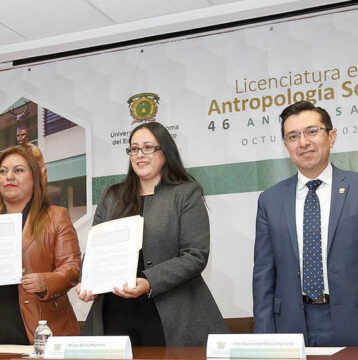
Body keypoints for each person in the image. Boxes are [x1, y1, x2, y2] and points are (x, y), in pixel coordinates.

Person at [77, 122, 228, 346]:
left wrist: (149, 281)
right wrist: (87, 281)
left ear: (165, 152)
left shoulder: (186, 193)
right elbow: (94, 250)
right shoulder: (111, 196)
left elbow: (195, 255)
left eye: (148, 147)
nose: (140, 154)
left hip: (168, 315)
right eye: (134, 148)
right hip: (113, 314)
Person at [253, 100, 358, 346]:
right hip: (291, 326)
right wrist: (263, 338)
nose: (303, 142)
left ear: (331, 137)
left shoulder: (357, 188)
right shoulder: (270, 200)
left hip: (352, 320)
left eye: (312, 131)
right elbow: (263, 276)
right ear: (286, 145)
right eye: (293, 136)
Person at [0, 146, 81, 344]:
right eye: (3, 171)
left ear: (35, 179)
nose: (9, 177)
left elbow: (72, 269)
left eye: (18, 170)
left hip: (41, 328)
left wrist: (45, 281)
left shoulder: (55, 216)